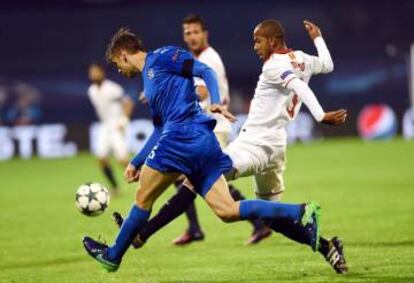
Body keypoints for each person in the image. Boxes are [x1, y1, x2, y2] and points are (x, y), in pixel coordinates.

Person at [111, 20, 349, 274]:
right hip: (277, 144)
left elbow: (295, 85)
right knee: (270, 217)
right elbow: (327, 64)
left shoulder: (268, 65)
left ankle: (141, 233)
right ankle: (327, 247)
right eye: (186, 32)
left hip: (247, 141)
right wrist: (318, 39)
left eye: (258, 40)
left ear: (271, 40)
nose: (254, 46)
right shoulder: (300, 59)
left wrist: (320, 115)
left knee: (196, 179)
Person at [170, 14, 270, 246]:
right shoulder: (193, 59)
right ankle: (256, 224)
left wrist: (170, 97)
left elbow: (202, 92)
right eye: (188, 32)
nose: (192, 36)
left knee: (198, 178)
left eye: (196, 32)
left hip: (214, 128)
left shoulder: (209, 58)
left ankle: (262, 221)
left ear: (205, 34)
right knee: (188, 175)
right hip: (204, 130)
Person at [87, 63, 134, 193]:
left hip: (117, 124)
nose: (93, 74)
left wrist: (123, 121)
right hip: (104, 125)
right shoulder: (91, 90)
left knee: (123, 160)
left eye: (96, 71)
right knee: (101, 159)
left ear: (102, 72)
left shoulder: (112, 88)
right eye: (91, 72)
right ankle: (115, 188)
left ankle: (147, 181)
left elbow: (128, 102)